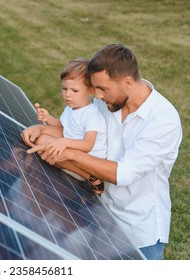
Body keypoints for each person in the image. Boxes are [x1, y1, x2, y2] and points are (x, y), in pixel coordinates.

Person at [24, 44, 182, 260]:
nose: (96, 96)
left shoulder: (163, 120)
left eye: (103, 89)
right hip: (99, 212)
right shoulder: (106, 103)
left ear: (127, 81)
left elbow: (123, 174)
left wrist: (69, 153)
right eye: (94, 88)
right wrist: (42, 130)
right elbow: (74, 130)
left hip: (138, 230)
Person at [23, 58, 107, 195]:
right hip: (71, 153)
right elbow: (63, 126)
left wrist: (63, 142)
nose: (68, 94)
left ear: (90, 91)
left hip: (84, 165)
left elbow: (88, 145)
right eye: (64, 88)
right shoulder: (72, 108)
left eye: (74, 90)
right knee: (41, 138)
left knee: (43, 142)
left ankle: (92, 178)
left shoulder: (92, 115)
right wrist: (47, 118)